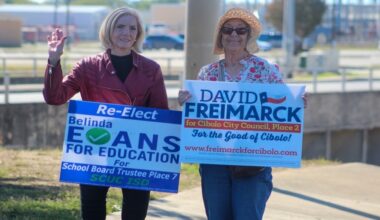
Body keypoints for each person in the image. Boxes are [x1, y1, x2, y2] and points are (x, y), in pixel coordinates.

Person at [178, 8, 307, 220]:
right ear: (221, 35)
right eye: (228, 30)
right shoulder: (206, 73)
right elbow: (197, 117)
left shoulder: (266, 69)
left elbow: (285, 106)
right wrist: (185, 101)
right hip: (214, 161)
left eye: (240, 30)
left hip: (252, 162)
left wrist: (298, 102)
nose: (234, 35)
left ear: (248, 35)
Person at [43, 7, 168, 220]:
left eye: (132, 28)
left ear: (138, 33)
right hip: (95, 151)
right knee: (92, 213)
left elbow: (160, 117)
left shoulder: (151, 69)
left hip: (136, 153)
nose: (126, 33)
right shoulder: (87, 66)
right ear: (108, 30)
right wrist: (53, 61)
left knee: (135, 214)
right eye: (120, 27)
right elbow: (55, 97)